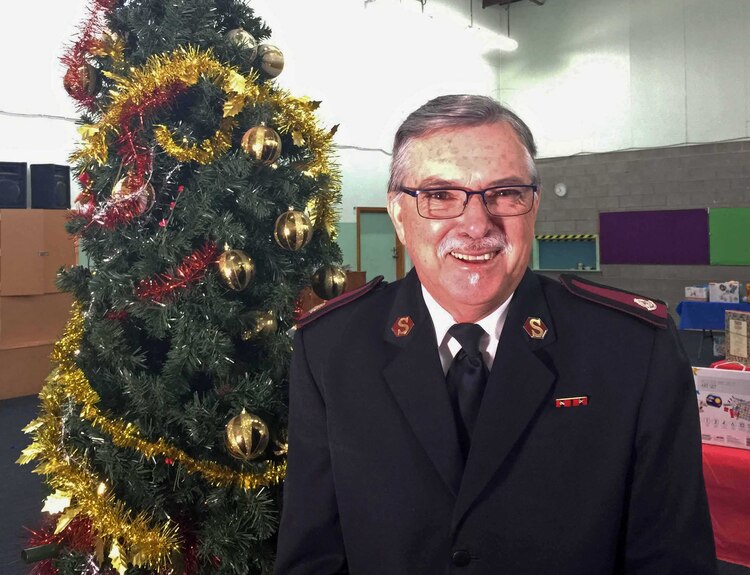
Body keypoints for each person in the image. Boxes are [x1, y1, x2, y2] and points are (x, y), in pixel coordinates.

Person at [274, 95, 716, 575]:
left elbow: (672, 560)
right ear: (399, 215)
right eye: (440, 195)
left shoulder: (632, 349)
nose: (476, 223)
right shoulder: (331, 349)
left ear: (533, 206)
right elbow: (314, 557)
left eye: (504, 192)